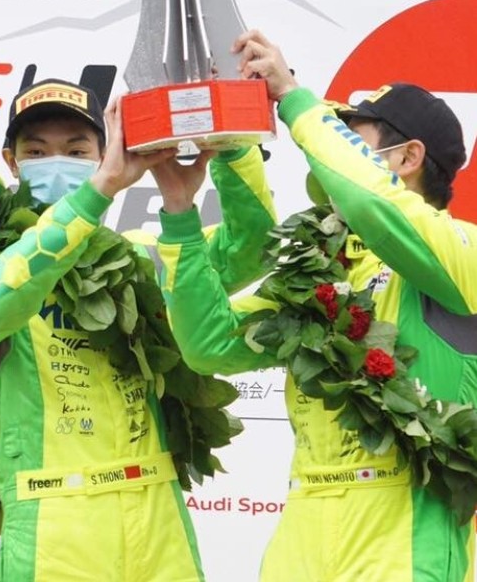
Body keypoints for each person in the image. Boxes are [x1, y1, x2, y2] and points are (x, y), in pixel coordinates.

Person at [0, 77, 277, 581]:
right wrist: (98, 192)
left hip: (159, 525)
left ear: (104, 150)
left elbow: (253, 246)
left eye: (76, 148)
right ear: (11, 161)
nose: (57, 160)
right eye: (37, 150)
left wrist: (230, 143)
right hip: (53, 530)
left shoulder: (139, 259)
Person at [155, 30, 477, 581]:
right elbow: (209, 344)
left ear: (405, 157)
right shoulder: (321, 274)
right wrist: (181, 212)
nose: (327, 155)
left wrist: (294, 100)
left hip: (404, 538)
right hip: (302, 532)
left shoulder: (462, 254)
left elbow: (373, 203)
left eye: (350, 135)